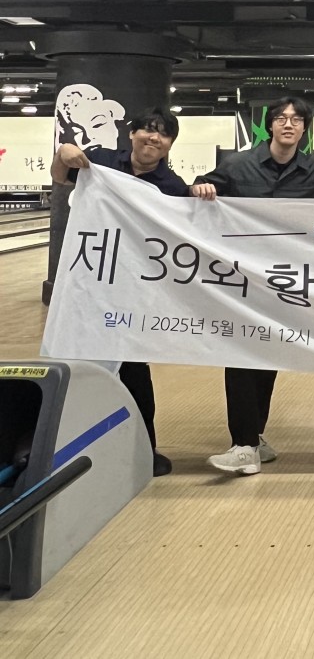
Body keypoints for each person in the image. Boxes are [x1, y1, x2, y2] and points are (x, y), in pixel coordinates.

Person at [191, 95, 314, 475]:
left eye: (296, 119)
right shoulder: (238, 165)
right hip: (242, 280)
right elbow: (200, 188)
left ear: (304, 129)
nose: (288, 124)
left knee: (266, 358)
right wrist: (200, 187)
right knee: (240, 354)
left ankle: (253, 437)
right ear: (269, 125)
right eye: (281, 118)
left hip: (285, 282)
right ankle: (243, 444)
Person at [50, 107, 189, 477]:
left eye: (162, 133)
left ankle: (143, 448)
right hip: (88, 284)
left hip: (133, 290)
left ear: (170, 144)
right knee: (78, 361)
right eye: (147, 129)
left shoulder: (172, 186)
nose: (153, 137)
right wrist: (63, 151)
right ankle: (67, 444)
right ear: (132, 134)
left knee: (133, 369)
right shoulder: (99, 162)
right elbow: (60, 176)